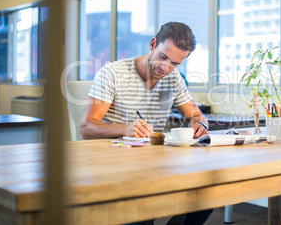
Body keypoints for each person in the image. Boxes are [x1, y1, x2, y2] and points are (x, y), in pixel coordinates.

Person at [79, 22, 213, 225]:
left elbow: (196, 116)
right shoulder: (113, 73)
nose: (165, 68)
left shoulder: (173, 78)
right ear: (152, 44)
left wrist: (199, 125)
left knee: (210, 190)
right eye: (163, 57)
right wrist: (126, 129)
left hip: (153, 162)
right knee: (139, 216)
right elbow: (86, 127)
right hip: (113, 163)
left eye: (175, 63)